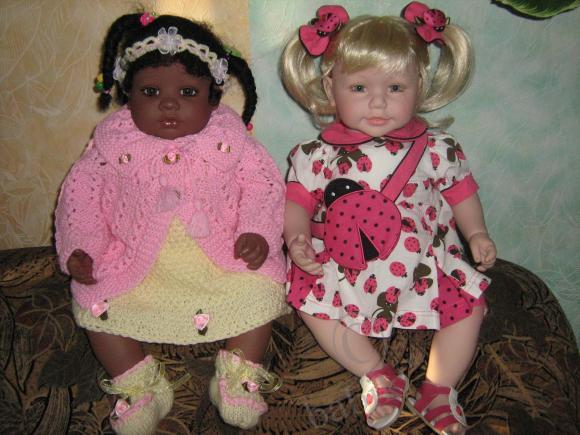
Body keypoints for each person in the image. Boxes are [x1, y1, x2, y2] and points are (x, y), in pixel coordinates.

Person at [54, 12, 288, 434]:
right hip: (137, 267)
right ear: (127, 93)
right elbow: (81, 196)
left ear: (213, 98)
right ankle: (139, 386)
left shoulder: (230, 141)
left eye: (187, 92)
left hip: (220, 264)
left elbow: (263, 186)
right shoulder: (111, 144)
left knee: (264, 289)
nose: (168, 102)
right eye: (150, 91)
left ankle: (238, 376)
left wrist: (255, 231)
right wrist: (81, 247)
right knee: (92, 303)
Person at [280, 2, 496, 433]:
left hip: (423, 264)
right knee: (308, 300)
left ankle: (439, 388)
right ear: (331, 87)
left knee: (470, 307)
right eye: (359, 87)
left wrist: (476, 233)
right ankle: (376, 373)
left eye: (395, 87)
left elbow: (462, 192)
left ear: (420, 85)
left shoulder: (436, 147)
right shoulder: (316, 155)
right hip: (346, 264)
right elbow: (296, 204)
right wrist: (297, 238)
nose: (378, 101)